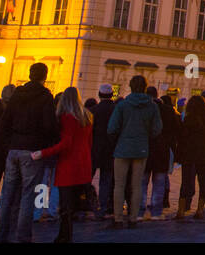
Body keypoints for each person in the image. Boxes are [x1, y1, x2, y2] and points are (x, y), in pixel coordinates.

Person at [0, 62, 58, 243]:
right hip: (32, 150)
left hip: (14, 148)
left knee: (7, 194)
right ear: (44, 76)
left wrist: (9, 144)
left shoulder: (17, 94)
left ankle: (0, 235)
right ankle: (22, 236)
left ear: (30, 75)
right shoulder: (45, 97)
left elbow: (4, 122)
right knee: (28, 195)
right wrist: (44, 146)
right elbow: (49, 126)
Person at [30, 87, 92, 243]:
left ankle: (64, 236)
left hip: (68, 163)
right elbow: (88, 142)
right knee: (70, 204)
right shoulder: (87, 117)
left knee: (64, 204)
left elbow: (66, 143)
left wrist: (43, 152)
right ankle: (65, 235)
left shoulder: (67, 118)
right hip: (83, 163)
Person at [105, 74, 162, 229]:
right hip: (141, 148)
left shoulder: (123, 105)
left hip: (122, 148)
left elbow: (112, 128)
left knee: (119, 185)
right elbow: (157, 129)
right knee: (137, 185)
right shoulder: (152, 106)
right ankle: (133, 218)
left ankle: (117, 218)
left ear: (130, 86)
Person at [141, 88, 179, 220]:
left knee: (142, 182)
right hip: (162, 150)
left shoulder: (143, 109)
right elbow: (176, 130)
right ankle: (156, 212)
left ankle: (140, 211)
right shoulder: (168, 111)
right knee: (159, 183)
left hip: (144, 150)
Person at [176, 95, 205, 219]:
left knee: (185, 182)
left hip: (188, 154)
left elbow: (181, 138)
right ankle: (200, 210)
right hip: (203, 153)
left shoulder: (187, 119)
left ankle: (181, 210)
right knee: (203, 182)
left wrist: (179, 154)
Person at [89, 84, 117, 218]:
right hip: (110, 150)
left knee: (88, 177)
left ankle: (86, 204)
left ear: (99, 95)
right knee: (106, 180)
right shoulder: (116, 110)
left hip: (94, 149)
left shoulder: (93, 110)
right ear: (112, 95)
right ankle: (103, 206)